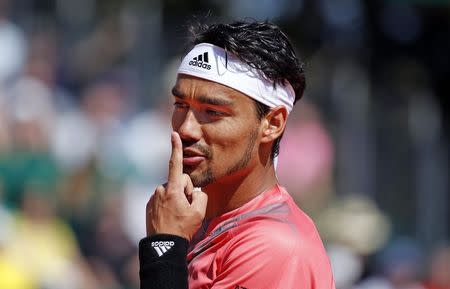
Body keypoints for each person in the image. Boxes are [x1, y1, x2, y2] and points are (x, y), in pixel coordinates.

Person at [139, 20, 336, 289]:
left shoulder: (274, 247)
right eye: (181, 105)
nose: (186, 128)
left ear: (272, 124)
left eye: (213, 112)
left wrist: (164, 247)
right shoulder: (193, 221)